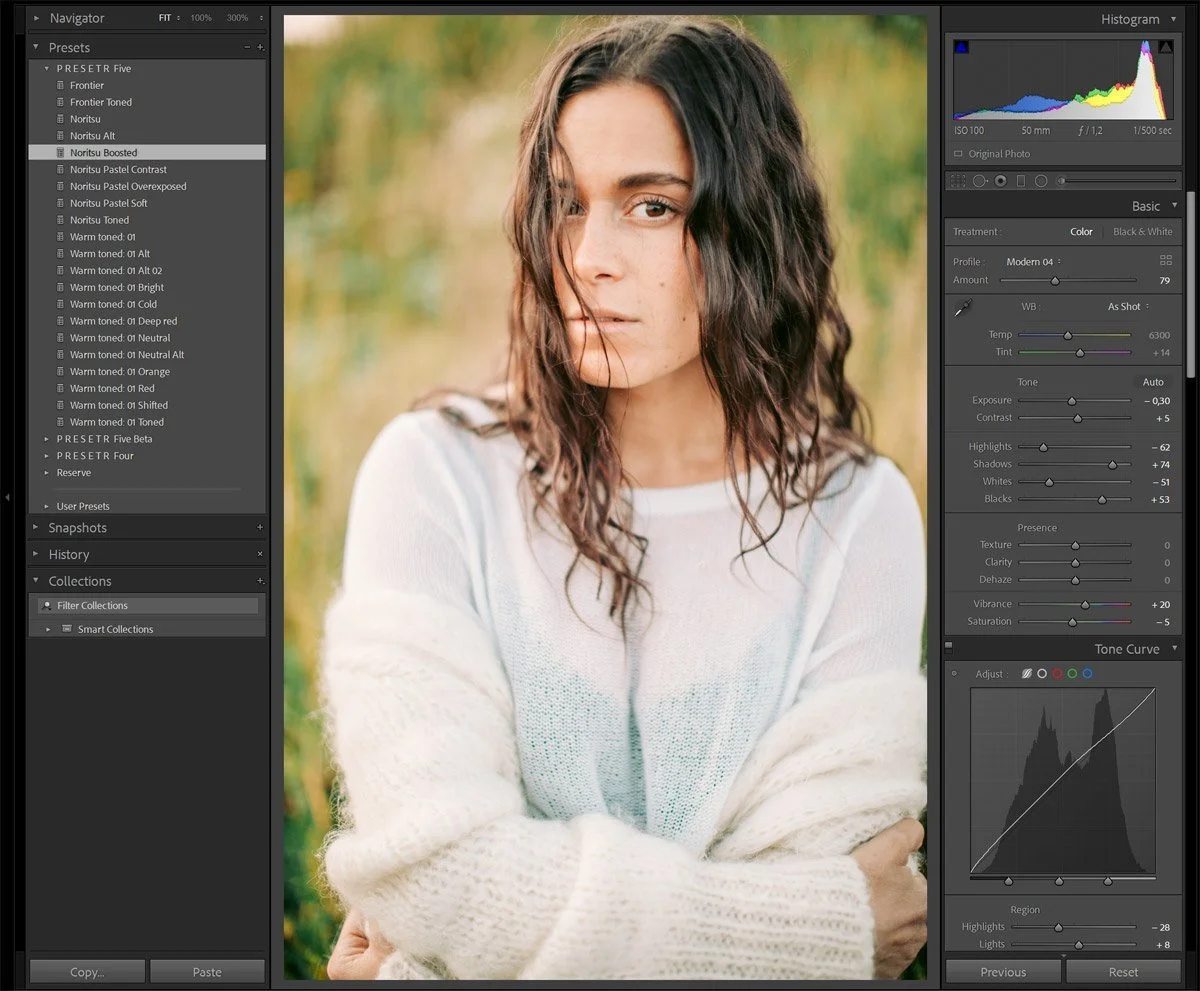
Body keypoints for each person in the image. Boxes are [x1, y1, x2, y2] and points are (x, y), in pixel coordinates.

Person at [320, 14, 927, 982]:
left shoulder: (857, 514)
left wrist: (479, 940)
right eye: (565, 204)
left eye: (652, 207)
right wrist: (808, 928)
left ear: (753, 225)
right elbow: (436, 869)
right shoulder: (435, 475)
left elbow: (452, 913)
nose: (587, 256)